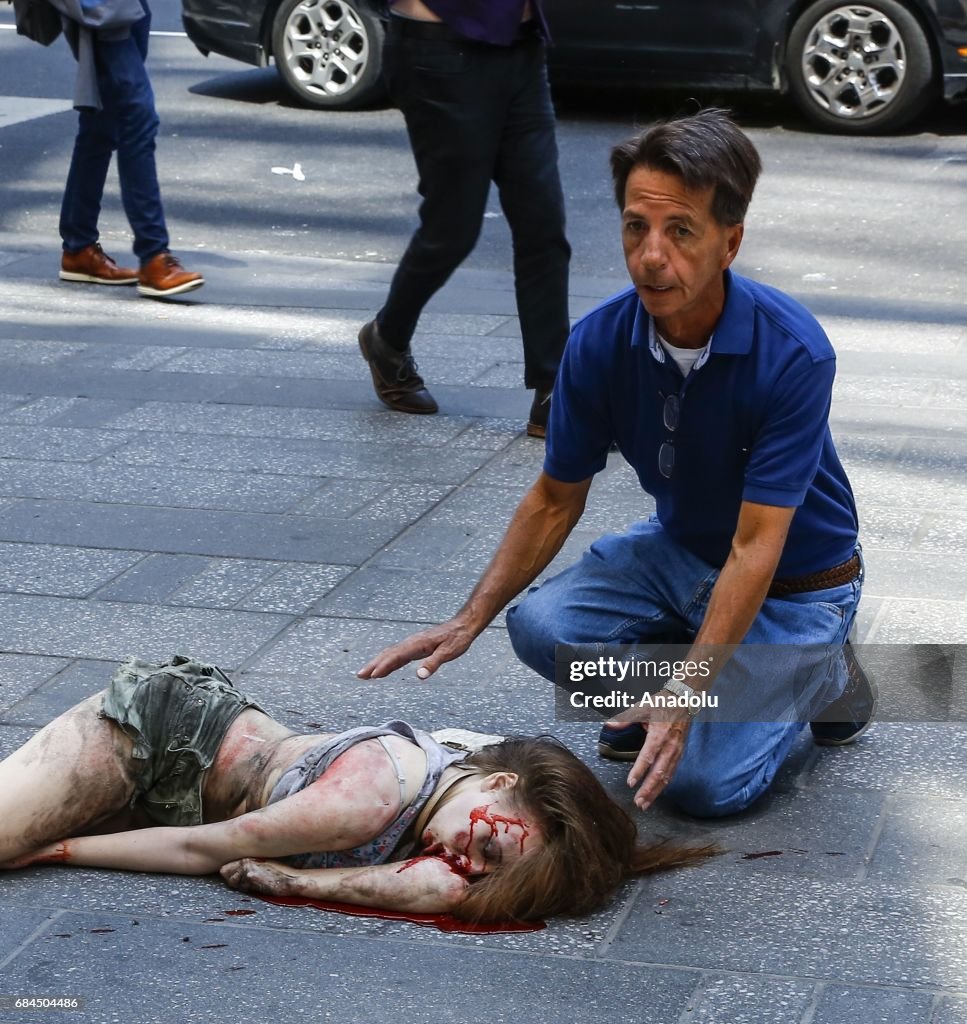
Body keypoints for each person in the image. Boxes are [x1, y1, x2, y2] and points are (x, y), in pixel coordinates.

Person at [357, 109, 876, 819]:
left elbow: (757, 547)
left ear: (729, 242)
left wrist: (688, 693)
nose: (650, 256)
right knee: (538, 628)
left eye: (679, 231)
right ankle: (705, 671)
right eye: (636, 227)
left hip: (796, 583)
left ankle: (818, 674)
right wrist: (467, 619)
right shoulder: (599, 342)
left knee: (702, 787)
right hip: (683, 555)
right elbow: (552, 499)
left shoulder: (791, 352)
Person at [0, 656, 709, 922]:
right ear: (497, 782)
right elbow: (198, 848)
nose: (469, 863)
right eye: (488, 842)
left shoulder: (470, 789)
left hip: (187, 791)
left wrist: (302, 885)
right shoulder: (367, 796)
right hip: (157, 736)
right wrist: (57, 850)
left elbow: (445, 889)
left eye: (492, 868)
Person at [357, 0, 570, 437]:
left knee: (543, 226)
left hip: (522, 47)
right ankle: (387, 338)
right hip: (442, 49)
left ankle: (554, 392)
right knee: (452, 228)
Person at [55, 0, 204, 298]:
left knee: (102, 122)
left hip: (128, 7)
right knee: (138, 114)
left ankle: (78, 247)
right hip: (104, 8)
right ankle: (154, 256)